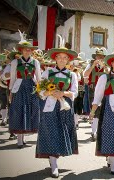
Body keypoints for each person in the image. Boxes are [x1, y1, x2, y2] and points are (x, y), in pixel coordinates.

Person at [36, 35, 79, 178]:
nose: (62, 59)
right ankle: (53, 163)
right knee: (51, 131)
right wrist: (50, 92)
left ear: (68, 60)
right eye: (59, 57)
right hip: (50, 106)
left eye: (64, 57)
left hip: (64, 106)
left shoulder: (72, 75)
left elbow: (75, 93)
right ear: (55, 58)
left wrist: (63, 93)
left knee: (62, 131)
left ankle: (55, 157)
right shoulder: (48, 72)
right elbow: (40, 90)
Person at [9, 30, 41, 148]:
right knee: (19, 111)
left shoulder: (36, 62)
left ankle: (24, 136)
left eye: (30, 49)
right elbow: (12, 78)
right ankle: (19, 139)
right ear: (21, 50)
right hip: (19, 88)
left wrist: (40, 90)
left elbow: (39, 78)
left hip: (31, 88)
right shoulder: (15, 62)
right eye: (25, 49)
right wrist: (11, 92)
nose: (28, 51)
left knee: (31, 110)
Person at [83, 48, 108, 141]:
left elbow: (110, 75)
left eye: (101, 57)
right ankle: (94, 131)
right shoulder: (90, 64)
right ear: (95, 57)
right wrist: (93, 65)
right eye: (98, 56)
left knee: (102, 111)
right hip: (93, 89)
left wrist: (104, 67)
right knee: (94, 110)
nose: (100, 58)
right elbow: (85, 74)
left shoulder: (106, 66)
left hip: (104, 90)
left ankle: (99, 132)